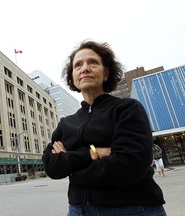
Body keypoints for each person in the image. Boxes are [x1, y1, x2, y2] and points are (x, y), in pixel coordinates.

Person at [42, 40, 166, 216]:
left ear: (106, 73)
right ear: (73, 77)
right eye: (78, 65)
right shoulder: (66, 123)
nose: (85, 68)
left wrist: (71, 167)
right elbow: (51, 166)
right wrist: (92, 153)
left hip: (133, 209)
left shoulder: (127, 108)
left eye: (93, 62)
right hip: (78, 210)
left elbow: (130, 166)